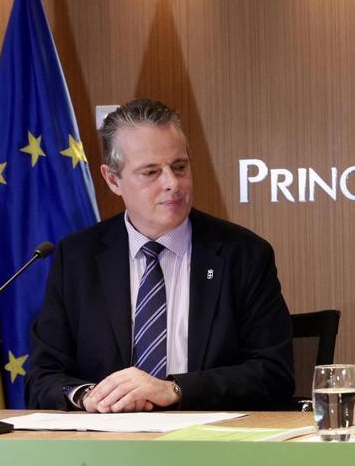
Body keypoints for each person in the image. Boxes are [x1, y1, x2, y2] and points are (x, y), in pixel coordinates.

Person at [27, 98, 294, 412]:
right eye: (151, 172)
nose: (172, 184)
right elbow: (41, 378)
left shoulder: (244, 254)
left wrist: (175, 389)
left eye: (179, 167)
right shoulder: (76, 259)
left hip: (211, 445)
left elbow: (274, 375)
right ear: (113, 180)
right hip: (107, 447)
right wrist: (89, 396)